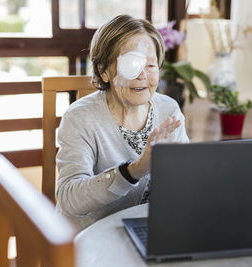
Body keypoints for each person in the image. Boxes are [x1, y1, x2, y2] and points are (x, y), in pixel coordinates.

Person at [55, 14, 189, 231]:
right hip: (91, 238)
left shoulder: (169, 110)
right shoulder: (80, 118)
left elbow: (184, 181)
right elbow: (70, 199)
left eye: (151, 65)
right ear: (103, 71)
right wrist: (133, 171)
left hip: (148, 229)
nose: (142, 76)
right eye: (131, 64)